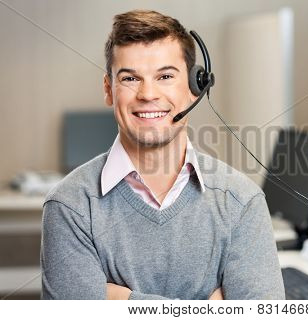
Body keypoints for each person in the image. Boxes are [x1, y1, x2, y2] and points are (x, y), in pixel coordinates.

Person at [40, 9, 284, 300]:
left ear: (196, 87)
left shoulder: (242, 201)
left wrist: (119, 299)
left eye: (165, 76)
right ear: (109, 90)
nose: (148, 94)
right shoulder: (69, 206)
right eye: (130, 79)